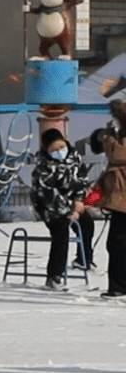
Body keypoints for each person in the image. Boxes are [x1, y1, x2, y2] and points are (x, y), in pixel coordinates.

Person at [30, 128, 93, 291]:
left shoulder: (76, 159)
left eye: (61, 147)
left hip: (75, 204)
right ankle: (54, 276)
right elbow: (48, 194)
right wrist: (68, 210)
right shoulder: (42, 168)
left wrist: (79, 201)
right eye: (54, 149)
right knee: (61, 233)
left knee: (87, 224)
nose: (59, 152)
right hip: (51, 209)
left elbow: (82, 181)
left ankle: (83, 260)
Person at [86, 100, 126, 298]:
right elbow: (102, 187)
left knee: (118, 245)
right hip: (119, 209)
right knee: (116, 246)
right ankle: (118, 287)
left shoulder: (119, 155)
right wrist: (85, 204)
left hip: (121, 209)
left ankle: (118, 287)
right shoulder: (114, 168)